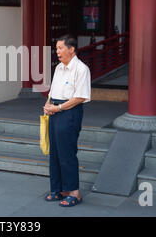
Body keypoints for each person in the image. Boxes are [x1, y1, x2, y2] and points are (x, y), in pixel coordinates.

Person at [43, 35, 91, 207]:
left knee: (67, 153)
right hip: (55, 111)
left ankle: (74, 192)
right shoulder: (59, 68)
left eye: (61, 48)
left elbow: (80, 97)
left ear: (71, 49)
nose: (58, 52)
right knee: (55, 152)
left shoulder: (81, 69)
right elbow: (53, 89)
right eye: (56, 48)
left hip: (69, 112)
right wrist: (48, 103)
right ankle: (58, 189)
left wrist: (59, 108)